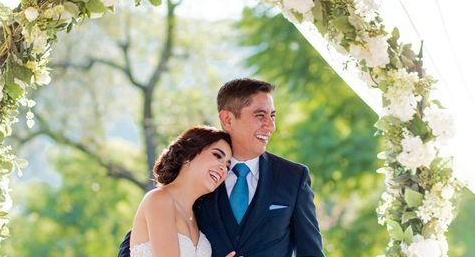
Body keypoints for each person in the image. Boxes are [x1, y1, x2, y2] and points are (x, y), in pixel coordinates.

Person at [120, 78, 325, 257]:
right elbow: (134, 246)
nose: (270, 126)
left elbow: (311, 252)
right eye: (260, 115)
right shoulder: (199, 180)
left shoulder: (293, 177)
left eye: (272, 116)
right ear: (227, 119)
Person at [128, 125, 238, 257]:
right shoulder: (159, 199)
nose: (223, 168)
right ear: (188, 155)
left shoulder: (196, 215)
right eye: (217, 155)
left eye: (227, 165)